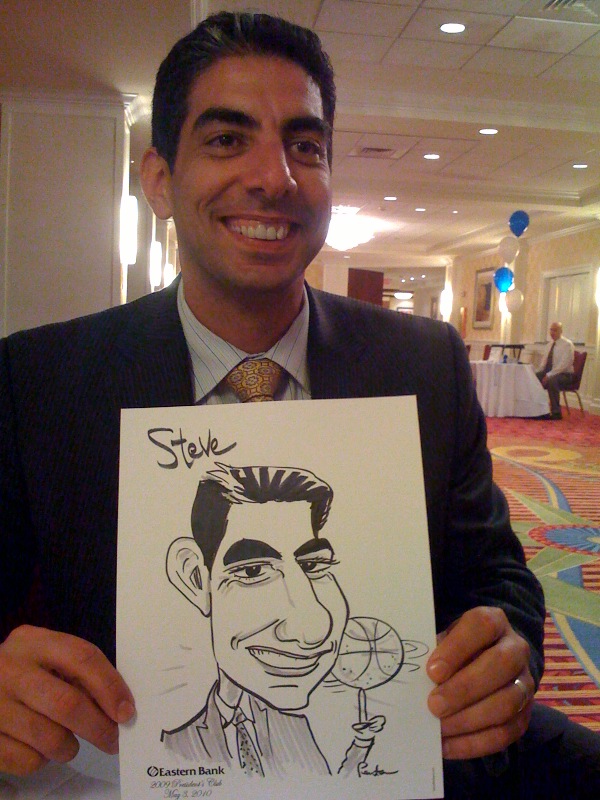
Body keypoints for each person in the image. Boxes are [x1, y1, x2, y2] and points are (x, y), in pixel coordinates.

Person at [0, 10, 598, 798]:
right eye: (227, 139)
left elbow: (495, 574)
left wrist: (507, 648)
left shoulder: (423, 364)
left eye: (306, 146)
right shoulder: (40, 379)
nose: (274, 177)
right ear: (159, 180)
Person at [162, 463, 384, 777]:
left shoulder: (296, 731)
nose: (313, 632)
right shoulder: (169, 750)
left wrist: (360, 746)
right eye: (252, 571)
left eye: (313, 565)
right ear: (196, 578)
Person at [536, 321, 575, 419]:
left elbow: (564, 365)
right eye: (551, 330)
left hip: (565, 375)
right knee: (533, 377)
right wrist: (536, 372)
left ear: (561, 331)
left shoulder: (567, 345)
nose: (552, 332)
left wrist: (549, 375)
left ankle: (556, 412)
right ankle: (537, 409)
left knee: (552, 380)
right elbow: (544, 363)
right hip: (550, 373)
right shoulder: (549, 345)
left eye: (555, 330)